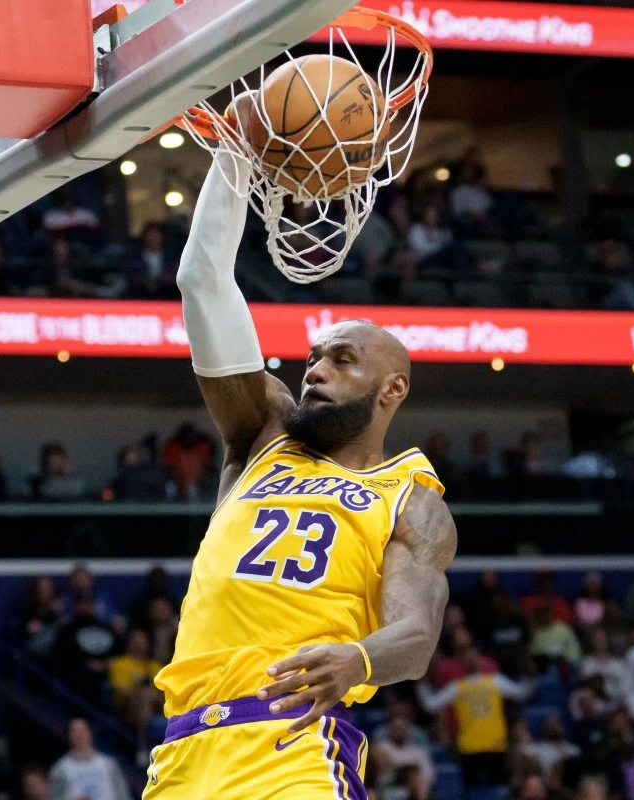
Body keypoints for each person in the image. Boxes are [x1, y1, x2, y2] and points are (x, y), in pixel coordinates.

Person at [143, 154, 457, 800]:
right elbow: (202, 280)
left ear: (393, 388)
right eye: (314, 358)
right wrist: (238, 149)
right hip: (182, 751)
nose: (315, 371)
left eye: (342, 361)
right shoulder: (264, 434)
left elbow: (417, 635)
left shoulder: (410, 498)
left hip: (292, 746)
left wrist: (359, 660)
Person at [416, 644, 531, 788]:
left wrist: (529, 675)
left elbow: (522, 693)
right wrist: (422, 684)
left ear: (480, 659)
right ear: (462, 662)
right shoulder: (457, 687)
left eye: (473, 656)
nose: (470, 660)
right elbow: (431, 705)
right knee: (473, 792)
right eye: (467, 657)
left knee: (497, 791)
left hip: (494, 746)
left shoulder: (495, 681)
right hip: (469, 749)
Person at [50, 597, 116, 704]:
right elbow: (61, 655)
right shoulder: (68, 630)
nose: (86, 608)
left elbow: (119, 652)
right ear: (77, 607)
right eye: (83, 604)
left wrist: (105, 664)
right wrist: (85, 663)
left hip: (106, 671)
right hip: (79, 673)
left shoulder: (107, 628)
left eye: (89, 604)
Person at [48, 719, 130, 800]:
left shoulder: (108, 764)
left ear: (90, 733)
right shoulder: (60, 769)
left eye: (82, 731)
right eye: (74, 732)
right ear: (68, 736)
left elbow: (123, 795)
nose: (79, 735)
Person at [581, 628, 629, 703]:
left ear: (607, 641)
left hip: (616, 702)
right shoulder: (587, 663)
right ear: (592, 642)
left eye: (602, 640)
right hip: (596, 704)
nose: (599, 643)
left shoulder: (618, 664)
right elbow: (585, 688)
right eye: (597, 640)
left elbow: (625, 688)